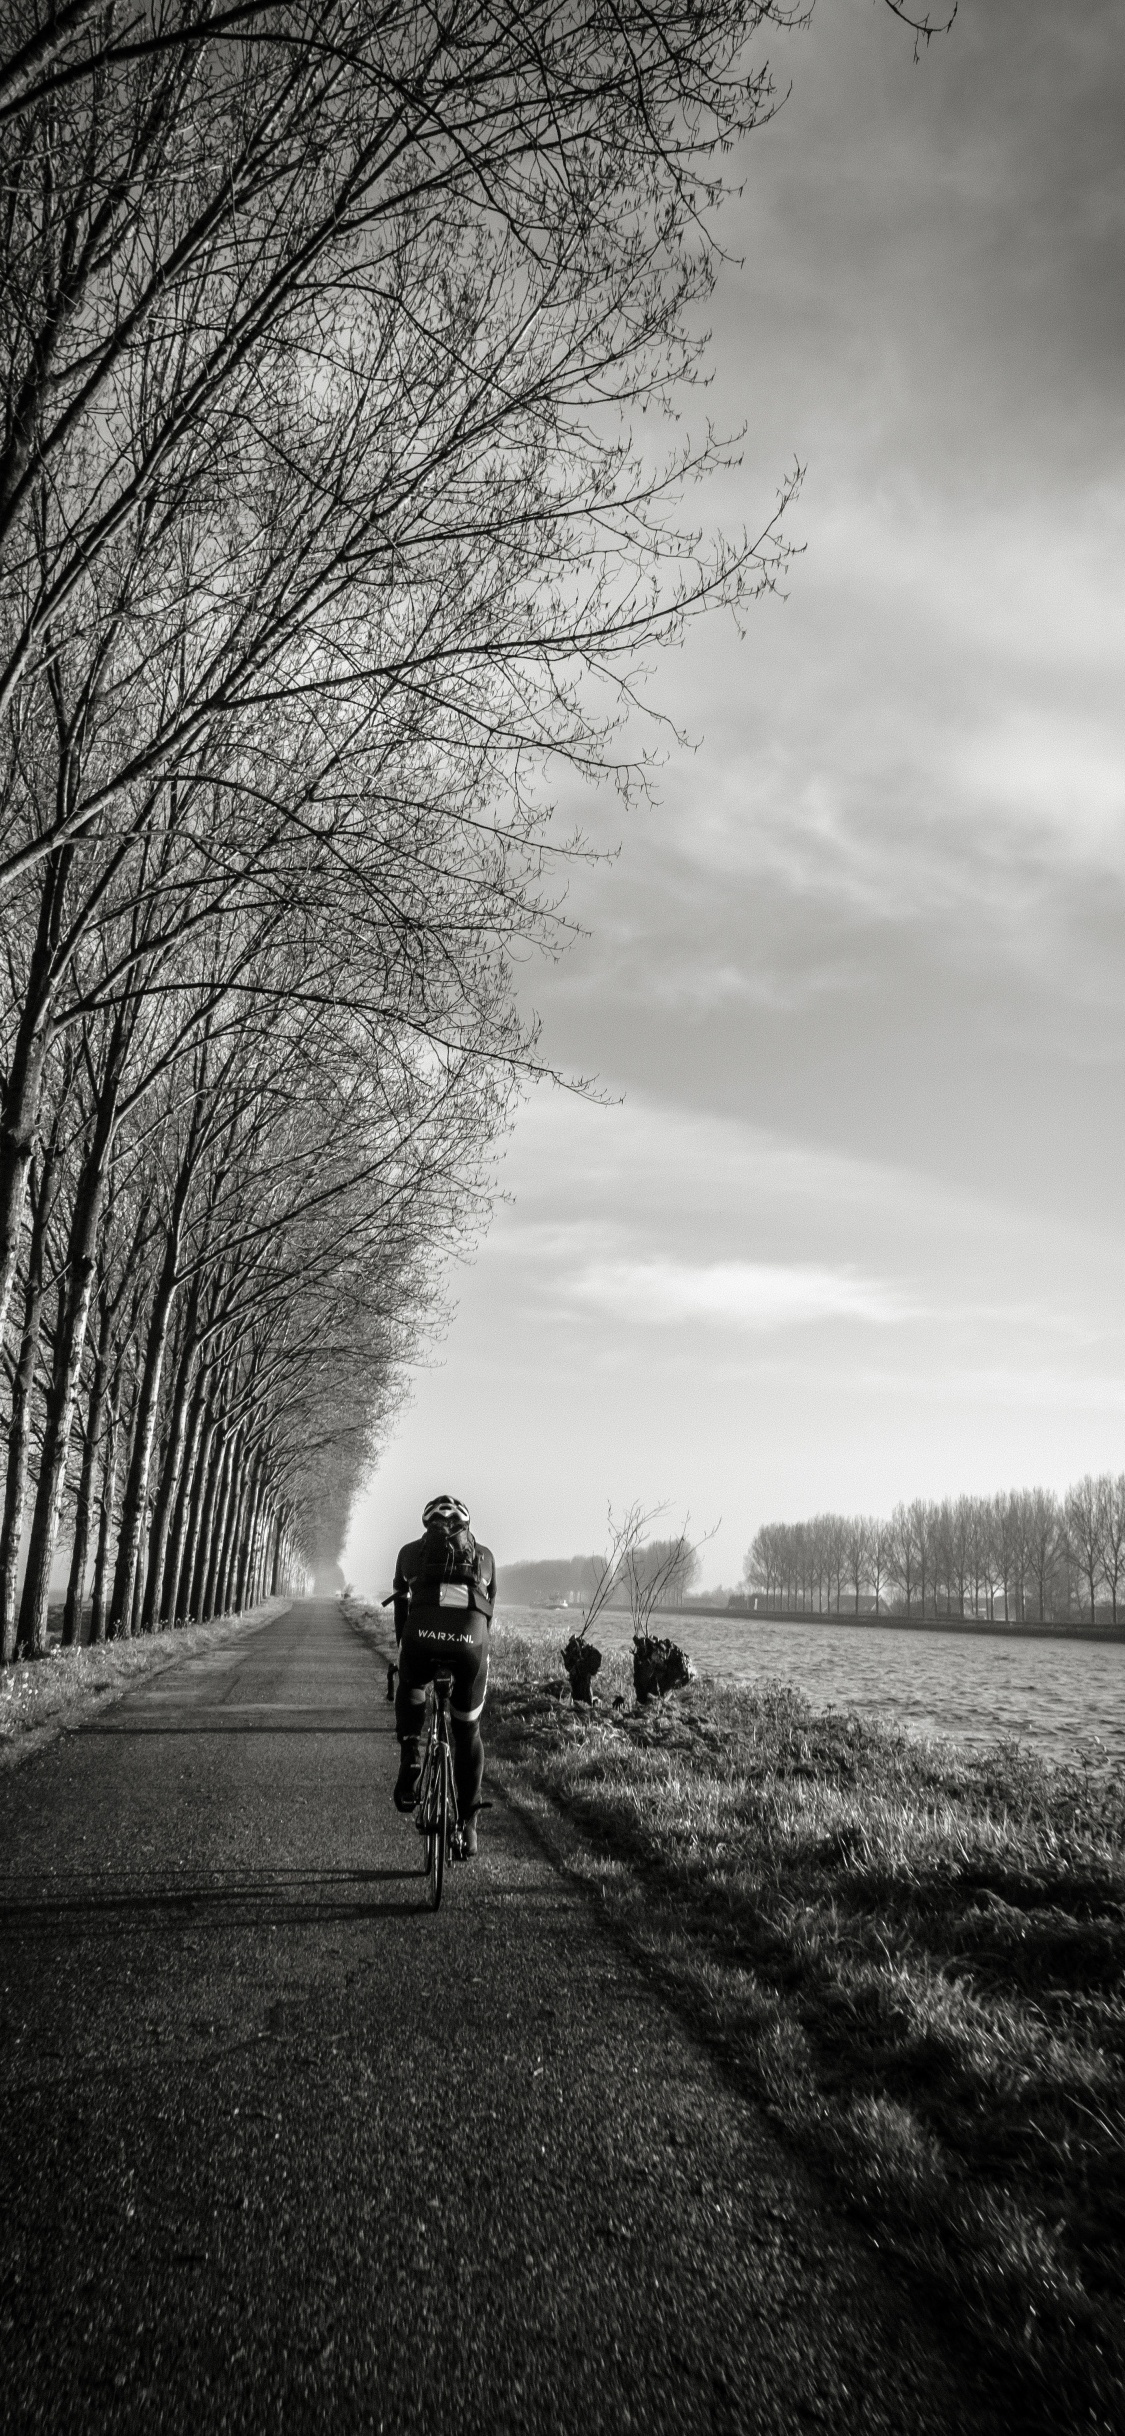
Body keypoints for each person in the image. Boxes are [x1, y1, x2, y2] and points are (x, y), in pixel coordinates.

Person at [392, 1495, 496, 1858]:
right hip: (470, 1643)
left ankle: (411, 1753)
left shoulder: (409, 1553)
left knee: (411, 1683)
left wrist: (404, 1653)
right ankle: (468, 1827)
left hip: (420, 1638)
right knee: (467, 1730)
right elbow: (488, 1616)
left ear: (427, 1525)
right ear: (466, 1526)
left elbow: (401, 1611)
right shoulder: (485, 1556)